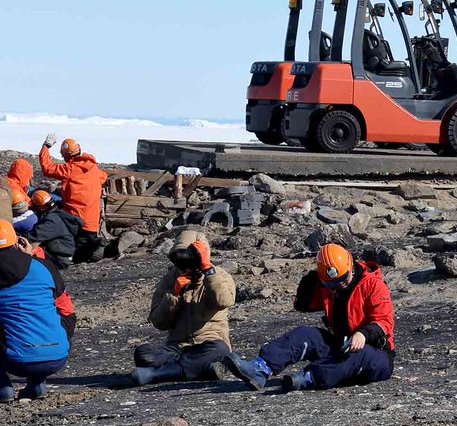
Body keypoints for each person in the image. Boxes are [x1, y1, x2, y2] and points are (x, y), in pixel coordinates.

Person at [226, 243, 395, 392]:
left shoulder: (373, 285)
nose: (339, 286)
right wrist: (310, 282)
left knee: (354, 356)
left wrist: (363, 334)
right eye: (332, 284)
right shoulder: (330, 287)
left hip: (376, 354)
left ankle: (308, 378)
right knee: (305, 335)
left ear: (351, 266)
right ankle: (260, 368)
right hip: (341, 344)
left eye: (343, 279)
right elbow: (303, 305)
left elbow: (384, 322)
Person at [0, 220, 70, 402]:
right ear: (16, 241)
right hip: (58, 356)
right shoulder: (43, 266)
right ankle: (36, 385)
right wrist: (31, 257)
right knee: (37, 321)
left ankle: (1, 387)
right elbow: (58, 292)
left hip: (17, 360)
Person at [131, 230, 235, 386]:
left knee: (220, 350)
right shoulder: (169, 280)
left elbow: (224, 301)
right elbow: (158, 323)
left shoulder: (220, 276)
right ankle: (202, 369)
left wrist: (208, 271)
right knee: (143, 353)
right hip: (177, 348)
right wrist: (174, 295)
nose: (187, 267)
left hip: (208, 344)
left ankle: (158, 374)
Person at [39, 134, 108, 263]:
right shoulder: (94, 169)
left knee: (52, 218)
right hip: (92, 221)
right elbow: (103, 177)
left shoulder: (70, 169)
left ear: (66, 155)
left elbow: (47, 168)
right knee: (85, 244)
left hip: (75, 219)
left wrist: (46, 147)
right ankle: (95, 246)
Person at [28, 190, 81, 269]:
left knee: (29, 252)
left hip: (59, 260)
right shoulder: (58, 212)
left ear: (41, 208)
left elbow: (34, 236)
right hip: (60, 253)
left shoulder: (51, 221)